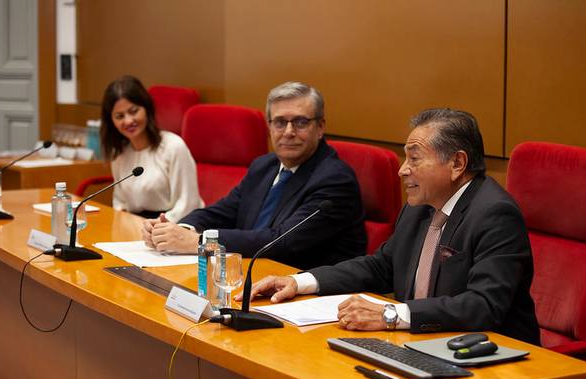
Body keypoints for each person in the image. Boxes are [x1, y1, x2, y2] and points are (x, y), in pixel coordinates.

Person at [242, 108, 540, 345]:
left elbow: (483, 305)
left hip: (491, 359)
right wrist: (301, 282)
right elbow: (381, 266)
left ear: (457, 164)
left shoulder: (494, 214)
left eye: (414, 158)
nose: (402, 169)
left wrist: (390, 314)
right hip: (424, 344)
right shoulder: (420, 207)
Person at [142, 81, 367, 270]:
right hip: (249, 276)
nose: (288, 132)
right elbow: (221, 212)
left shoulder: (335, 180)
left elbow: (283, 242)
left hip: (308, 295)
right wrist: (176, 229)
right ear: (269, 127)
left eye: (300, 122)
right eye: (279, 122)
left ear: (320, 128)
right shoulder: (265, 166)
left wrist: (200, 242)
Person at [100, 75, 204, 221]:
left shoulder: (174, 146)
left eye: (133, 111)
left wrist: (155, 226)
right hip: (135, 228)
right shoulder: (119, 154)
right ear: (111, 121)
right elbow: (120, 202)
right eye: (119, 116)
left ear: (147, 108)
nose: (128, 121)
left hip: (172, 225)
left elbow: (188, 205)